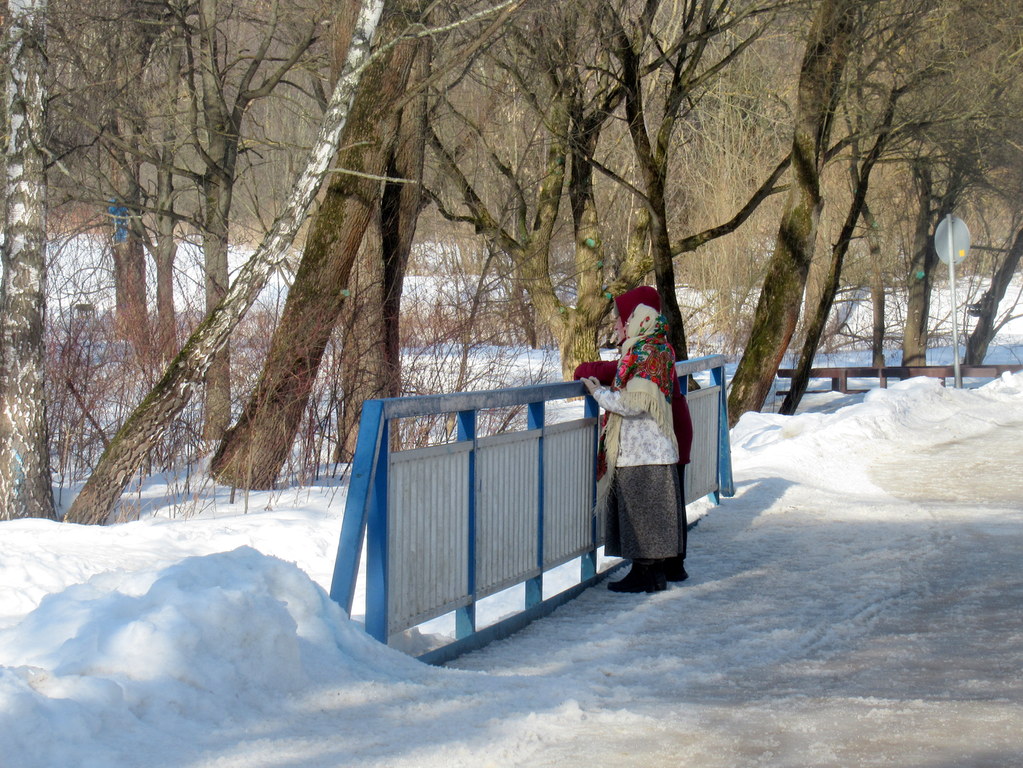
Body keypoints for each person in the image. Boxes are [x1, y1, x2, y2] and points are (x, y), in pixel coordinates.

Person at [574, 285, 693, 593]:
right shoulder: (654, 349)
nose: (616, 325)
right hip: (654, 445)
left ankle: (648, 575)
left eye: (620, 320)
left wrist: (598, 392)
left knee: (643, 511)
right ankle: (659, 571)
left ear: (636, 320)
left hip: (644, 448)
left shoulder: (645, 352)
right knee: (651, 510)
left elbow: (634, 402)